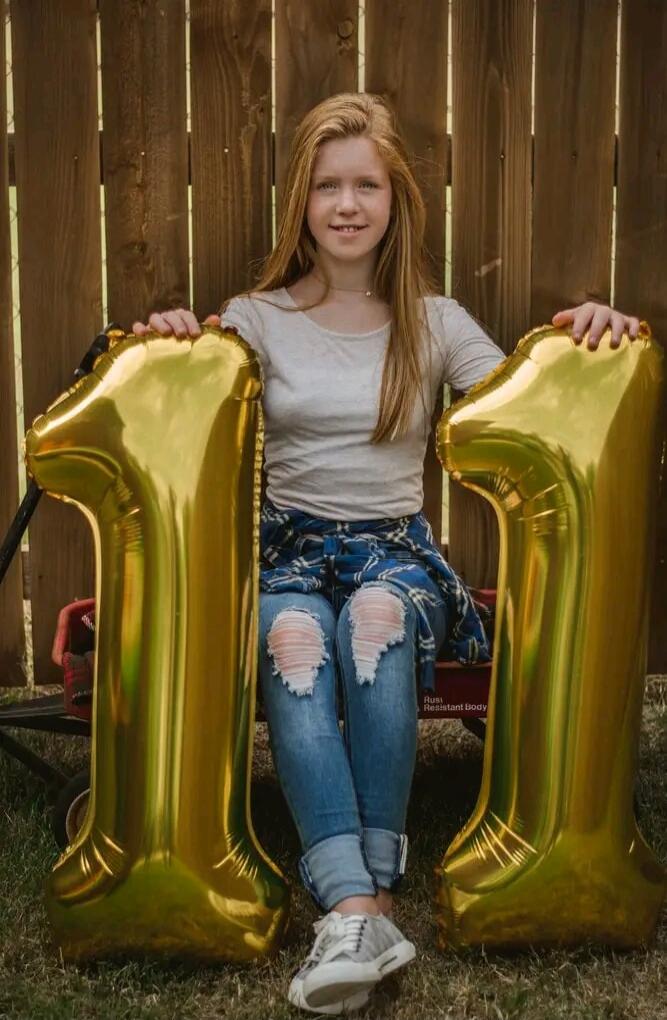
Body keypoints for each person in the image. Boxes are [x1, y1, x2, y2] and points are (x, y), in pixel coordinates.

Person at [132, 92, 640, 1015]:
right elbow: (189, 397)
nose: (346, 204)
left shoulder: (435, 322)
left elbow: (525, 404)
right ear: (301, 201)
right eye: (326, 185)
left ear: (395, 199)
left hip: (394, 555)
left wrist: (588, 339)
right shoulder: (253, 318)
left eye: (365, 185)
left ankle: (359, 904)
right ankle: (360, 904)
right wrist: (171, 343)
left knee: (371, 625)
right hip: (284, 552)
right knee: (293, 642)